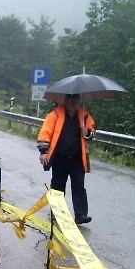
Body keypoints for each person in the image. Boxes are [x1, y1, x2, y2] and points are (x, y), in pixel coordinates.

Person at [37, 93, 96, 224]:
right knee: (58, 187)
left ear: (79, 101)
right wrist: (43, 152)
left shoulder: (84, 116)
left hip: (77, 159)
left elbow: (92, 133)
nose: (73, 102)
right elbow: (45, 133)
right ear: (65, 100)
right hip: (59, 158)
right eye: (71, 99)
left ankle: (80, 215)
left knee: (79, 187)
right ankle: (57, 213)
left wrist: (86, 132)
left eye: (76, 100)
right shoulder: (55, 115)